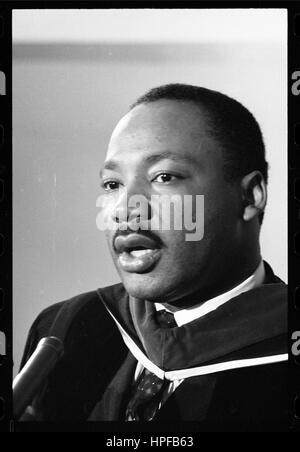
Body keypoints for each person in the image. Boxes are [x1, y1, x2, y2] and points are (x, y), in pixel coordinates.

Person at [19, 84, 288, 430]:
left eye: (164, 177)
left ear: (250, 197)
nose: (126, 210)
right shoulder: (66, 326)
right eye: (113, 184)